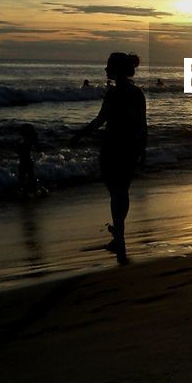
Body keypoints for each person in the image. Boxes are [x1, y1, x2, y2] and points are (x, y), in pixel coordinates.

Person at [73, 52, 147, 253]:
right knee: (122, 191)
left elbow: (99, 121)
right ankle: (119, 232)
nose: (106, 69)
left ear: (116, 70)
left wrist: (79, 135)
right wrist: (142, 149)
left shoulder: (113, 94)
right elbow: (143, 125)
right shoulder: (137, 93)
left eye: (109, 66)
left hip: (112, 147)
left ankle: (119, 235)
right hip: (130, 147)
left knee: (115, 192)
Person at [16, 124, 41, 197]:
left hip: (25, 161)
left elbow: (36, 148)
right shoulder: (30, 140)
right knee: (29, 176)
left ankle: (27, 191)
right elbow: (38, 148)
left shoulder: (28, 141)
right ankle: (32, 190)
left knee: (24, 176)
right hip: (27, 161)